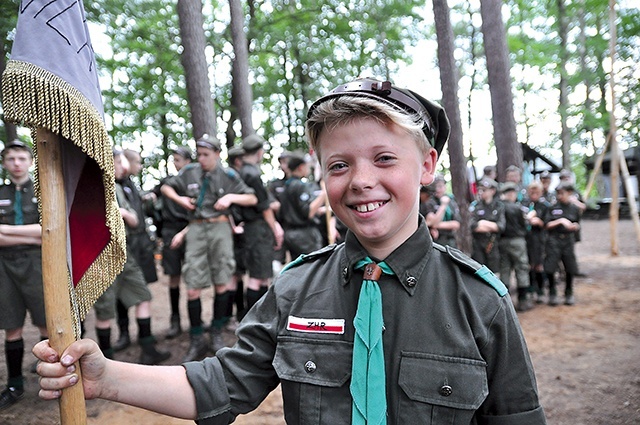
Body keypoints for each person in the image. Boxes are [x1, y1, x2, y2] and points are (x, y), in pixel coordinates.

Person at [34, 78, 546, 424]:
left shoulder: (480, 300)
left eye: (385, 158)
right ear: (322, 174)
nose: (362, 181)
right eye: (340, 165)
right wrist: (108, 378)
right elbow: (224, 383)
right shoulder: (298, 288)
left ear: (428, 165)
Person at [161, 135, 257, 361]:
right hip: (195, 229)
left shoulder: (229, 175)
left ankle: (216, 332)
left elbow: (252, 198)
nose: (201, 159)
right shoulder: (189, 172)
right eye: (199, 154)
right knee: (193, 285)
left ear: (217, 154)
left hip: (220, 229)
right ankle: (196, 338)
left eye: (206, 155)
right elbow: (166, 188)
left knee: (222, 281)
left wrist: (232, 197)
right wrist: (181, 200)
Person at [92, 149, 171, 365]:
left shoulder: (119, 186)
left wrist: (125, 213)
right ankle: (104, 360)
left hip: (124, 251)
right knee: (105, 310)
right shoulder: (91, 189)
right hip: (101, 254)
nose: (122, 167)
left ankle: (148, 349)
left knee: (142, 296)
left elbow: (135, 220)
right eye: (118, 162)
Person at [0, 140, 46, 410]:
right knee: (11, 325)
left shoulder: (42, 191)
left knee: (46, 323)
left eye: (21, 158)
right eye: (11, 159)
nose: (16, 163)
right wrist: (31, 233)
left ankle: (48, 377)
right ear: (5, 163)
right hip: (5, 265)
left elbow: (47, 231)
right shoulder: (1, 191)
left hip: (38, 263)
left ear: (30, 161)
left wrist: (5, 232)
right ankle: (15, 384)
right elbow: (37, 232)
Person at [112, 148, 159, 353]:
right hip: (125, 244)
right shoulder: (115, 185)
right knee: (123, 293)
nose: (139, 167)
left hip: (140, 242)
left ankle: (144, 339)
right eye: (137, 163)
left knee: (141, 289)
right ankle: (124, 334)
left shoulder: (130, 185)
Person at [238, 134, 284, 312]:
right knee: (258, 277)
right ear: (259, 152)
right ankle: (256, 317)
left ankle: (258, 315)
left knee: (260, 274)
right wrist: (275, 229)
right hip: (258, 229)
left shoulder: (241, 171)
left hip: (249, 228)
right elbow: (264, 207)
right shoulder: (253, 174)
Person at [154, 146, 194, 339]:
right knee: (173, 275)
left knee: (194, 276)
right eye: (174, 160)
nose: (175, 163)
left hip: (190, 228)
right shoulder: (167, 181)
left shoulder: (194, 181)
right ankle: (175, 319)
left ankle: (195, 321)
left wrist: (186, 231)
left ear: (187, 161)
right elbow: (155, 193)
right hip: (170, 230)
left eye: (178, 159)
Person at [279, 152, 327, 260]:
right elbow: (308, 212)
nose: (309, 170)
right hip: (304, 236)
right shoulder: (300, 186)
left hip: (290, 234)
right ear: (301, 167)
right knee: (313, 267)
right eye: (307, 167)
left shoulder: (285, 186)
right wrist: (324, 194)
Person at [543, 182, 581, 306]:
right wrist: (560, 221)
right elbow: (547, 224)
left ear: (569, 193)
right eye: (558, 193)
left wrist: (574, 226)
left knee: (570, 267)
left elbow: (577, 224)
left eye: (562, 193)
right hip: (554, 239)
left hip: (568, 240)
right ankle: (552, 292)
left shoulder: (574, 208)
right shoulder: (553, 207)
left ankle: (569, 292)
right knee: (550, 267)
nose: (560, 196)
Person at [498, 182, 533, 312]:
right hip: (517, 241)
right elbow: (524, 225)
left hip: (502, 242)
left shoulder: (499, 207)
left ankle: (504, 302)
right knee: (521, 268)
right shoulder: (517, 208)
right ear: (511, 193)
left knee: (505, 270)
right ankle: (523, 300)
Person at [470, 178, 505, 273]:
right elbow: (473, 226)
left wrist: (483, 223)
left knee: (494, 272)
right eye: (479, 190)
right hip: (478, 244)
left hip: (493, 243)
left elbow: (500, 226)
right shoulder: (476, 206)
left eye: (484, 190)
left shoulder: (499, 206)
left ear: (492, 191)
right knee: (479, 270)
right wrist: (491, 226)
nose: (481, 192)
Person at [522, 181, 549, 303]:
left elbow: (547, 224)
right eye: (532, 192)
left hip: (539, 239)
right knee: (529, 265)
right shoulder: (525, 205)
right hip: (527, 239)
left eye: (536, 192)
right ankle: (530, 289)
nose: (534, 195)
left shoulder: (544, 206)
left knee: (539, 265)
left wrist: (539, 222)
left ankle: (540, 290)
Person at [424, 174, 461, 247]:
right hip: (436, 240)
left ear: (444, 186)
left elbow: (456, 224)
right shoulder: (430, 202)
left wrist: (436, 225)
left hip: (450, 239)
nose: (438, 190)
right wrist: (443, 205)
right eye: (435, 186)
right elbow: (430, 222)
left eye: (440, 186)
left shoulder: (451, 201)